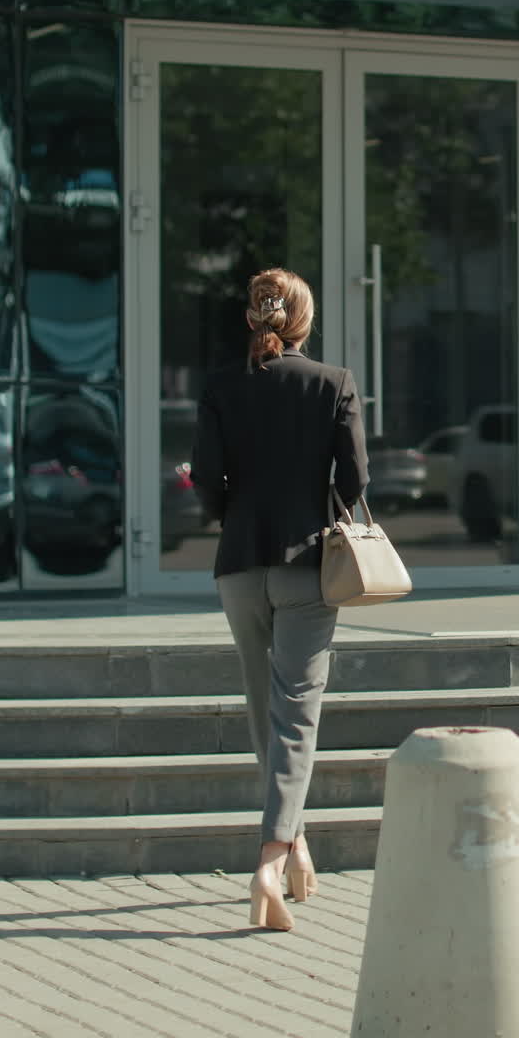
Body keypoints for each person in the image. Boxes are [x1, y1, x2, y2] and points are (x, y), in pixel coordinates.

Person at [191, 268, 369, 931]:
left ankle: (296, 849)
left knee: (265, 710)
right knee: (296, 713)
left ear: (252, 317)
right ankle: (269, 860)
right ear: (302, 320)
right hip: (306, 567)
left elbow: (206, 477)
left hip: (237, 564)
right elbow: (354, 478)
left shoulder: (220, 384)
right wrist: (324, 511)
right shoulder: (334, 383)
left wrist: (230, 514)